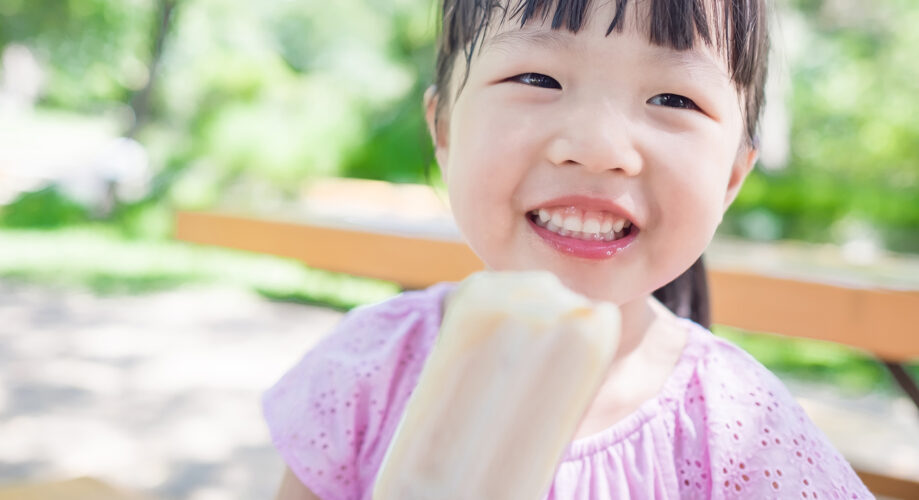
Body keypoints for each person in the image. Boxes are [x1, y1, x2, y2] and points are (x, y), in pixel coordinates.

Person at [263, 0, 873, 498]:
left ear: (733, 178)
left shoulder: (745, 435)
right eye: (537, 78)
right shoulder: (368, 371)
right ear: (444, 130)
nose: (598, 145)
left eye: (674, 99)